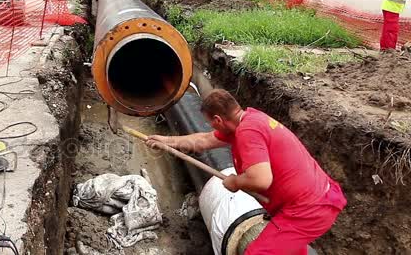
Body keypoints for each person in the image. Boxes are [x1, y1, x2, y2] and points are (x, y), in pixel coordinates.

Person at [147, 89, 347, 254]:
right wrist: (165, 142)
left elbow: (261, 179)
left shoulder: (248, 132)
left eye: (210, 122)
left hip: (307, 210)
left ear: (218, 119)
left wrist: (235, 183)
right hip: (313, 200)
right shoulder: (249, 120)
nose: (211, 127)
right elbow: (203, 141)